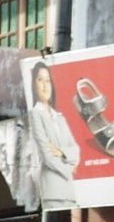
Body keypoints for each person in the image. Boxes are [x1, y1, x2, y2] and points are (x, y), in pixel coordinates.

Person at [28, 62, 80, 207]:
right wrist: (69, 169)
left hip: (69, 192)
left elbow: (76, 150)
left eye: (47, 80)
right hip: (52, 190)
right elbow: (47, 155)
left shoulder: (59, 117)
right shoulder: (34, 115)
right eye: (40, 80)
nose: (45, 85)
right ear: (33, 84)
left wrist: (62, 152)